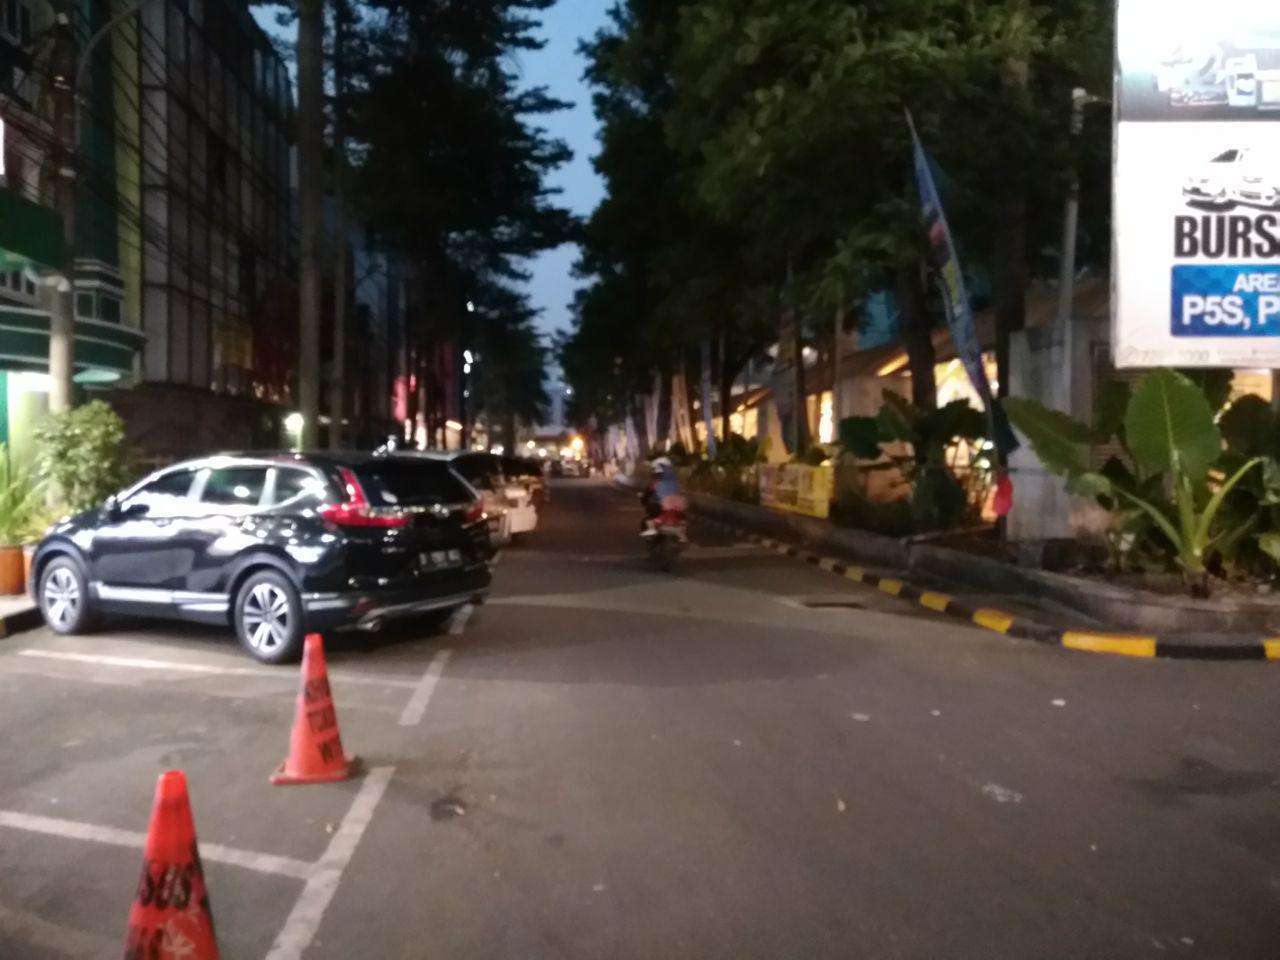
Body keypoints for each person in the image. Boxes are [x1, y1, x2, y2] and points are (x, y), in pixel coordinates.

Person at [640, 457, 682, 537]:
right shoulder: (673, 483)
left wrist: (644, 499)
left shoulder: (655, 485)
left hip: (661, 507)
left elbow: (647, 495)